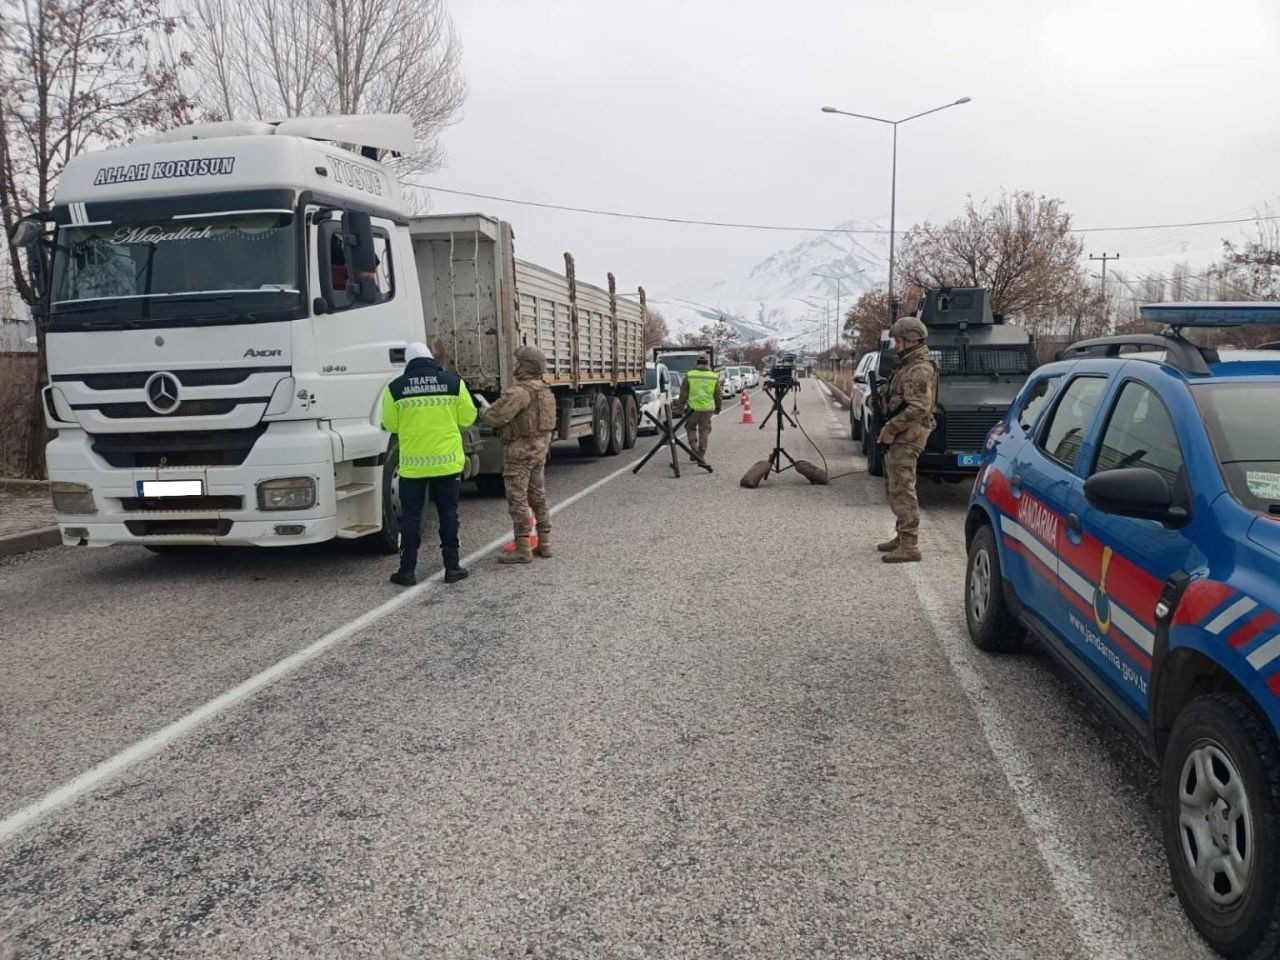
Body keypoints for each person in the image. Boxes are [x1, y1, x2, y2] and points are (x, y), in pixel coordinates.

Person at [380, 342, 477, 586]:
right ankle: (452, 567)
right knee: (448, 514)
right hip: (447, 465)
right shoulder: (453, 383)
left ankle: (407, 571)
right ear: (431, 359)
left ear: (408, 362)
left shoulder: (395, 388)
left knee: (411, 517)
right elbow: (468, 417)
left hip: (413, 467)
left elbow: (390, 425)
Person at [482, 345, 557, 564]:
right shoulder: (545, 391)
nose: (514, 365)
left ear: (526, 366)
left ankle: (522, 548)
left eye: (517, 362)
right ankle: (545, 543)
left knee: (518, 499)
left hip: (519, 453)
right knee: (538, 497)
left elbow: (495, 417)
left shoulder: (520, 392)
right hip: (539, 451)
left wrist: (483, 410)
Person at [875, 315, 939, 563]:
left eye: (898, 341)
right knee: (894, 486)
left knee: (903, 489)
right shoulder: (907, 366)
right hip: (902, 434)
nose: (895, 346)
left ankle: (910, 545)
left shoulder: (919, 368)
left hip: (908, 436)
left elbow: (919, 408)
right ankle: (902, 535)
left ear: (910, 341)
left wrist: (890, 428)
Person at [679, 354, 721, 461]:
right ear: (708, 364)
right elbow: (718, 394)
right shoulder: (714, 376)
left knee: (690, 428)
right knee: (704, 431)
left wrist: (680, 409)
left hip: (692, 409)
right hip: (708, 409)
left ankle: (694, 450)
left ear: (697, 364)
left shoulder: (690, 375)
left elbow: (683, 394)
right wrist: (718, 408)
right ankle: (701, 454)